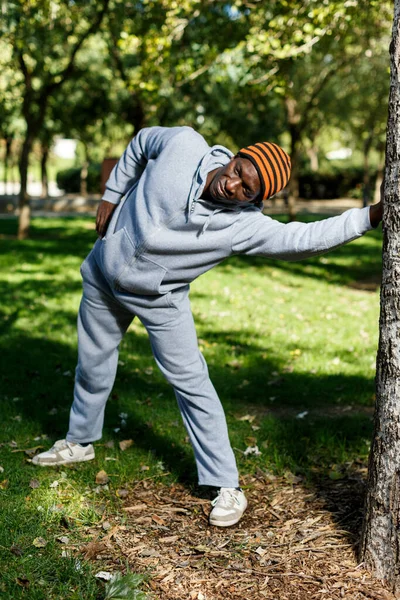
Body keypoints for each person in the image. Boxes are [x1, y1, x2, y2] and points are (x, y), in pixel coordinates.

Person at [32, 126, 383, 527]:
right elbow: (141, 142)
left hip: (160, 298)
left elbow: (303, 238)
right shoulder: (184, 145)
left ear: (257, 199)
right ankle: (79, 441)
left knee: (192, 383)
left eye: (246, 189)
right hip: (102, 273)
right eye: (236, 169)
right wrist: (113, 194)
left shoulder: (242, 227)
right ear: (233, 155)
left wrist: (371, 216)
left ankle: (226, 484)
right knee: (92, 364)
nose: (230, 184)